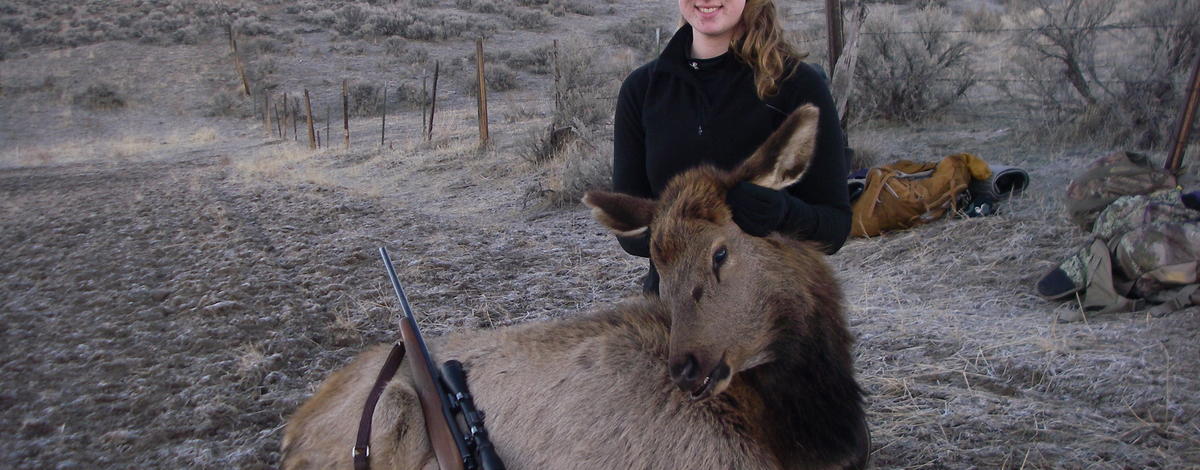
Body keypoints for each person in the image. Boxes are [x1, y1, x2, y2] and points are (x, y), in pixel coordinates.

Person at [612, 0, 851, 293]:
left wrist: (783, 214)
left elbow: (834, 228)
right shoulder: (642, 90)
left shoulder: (797, 84)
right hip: (677, 311)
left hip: (774, 312)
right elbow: (628, 233)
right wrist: (682, 228)